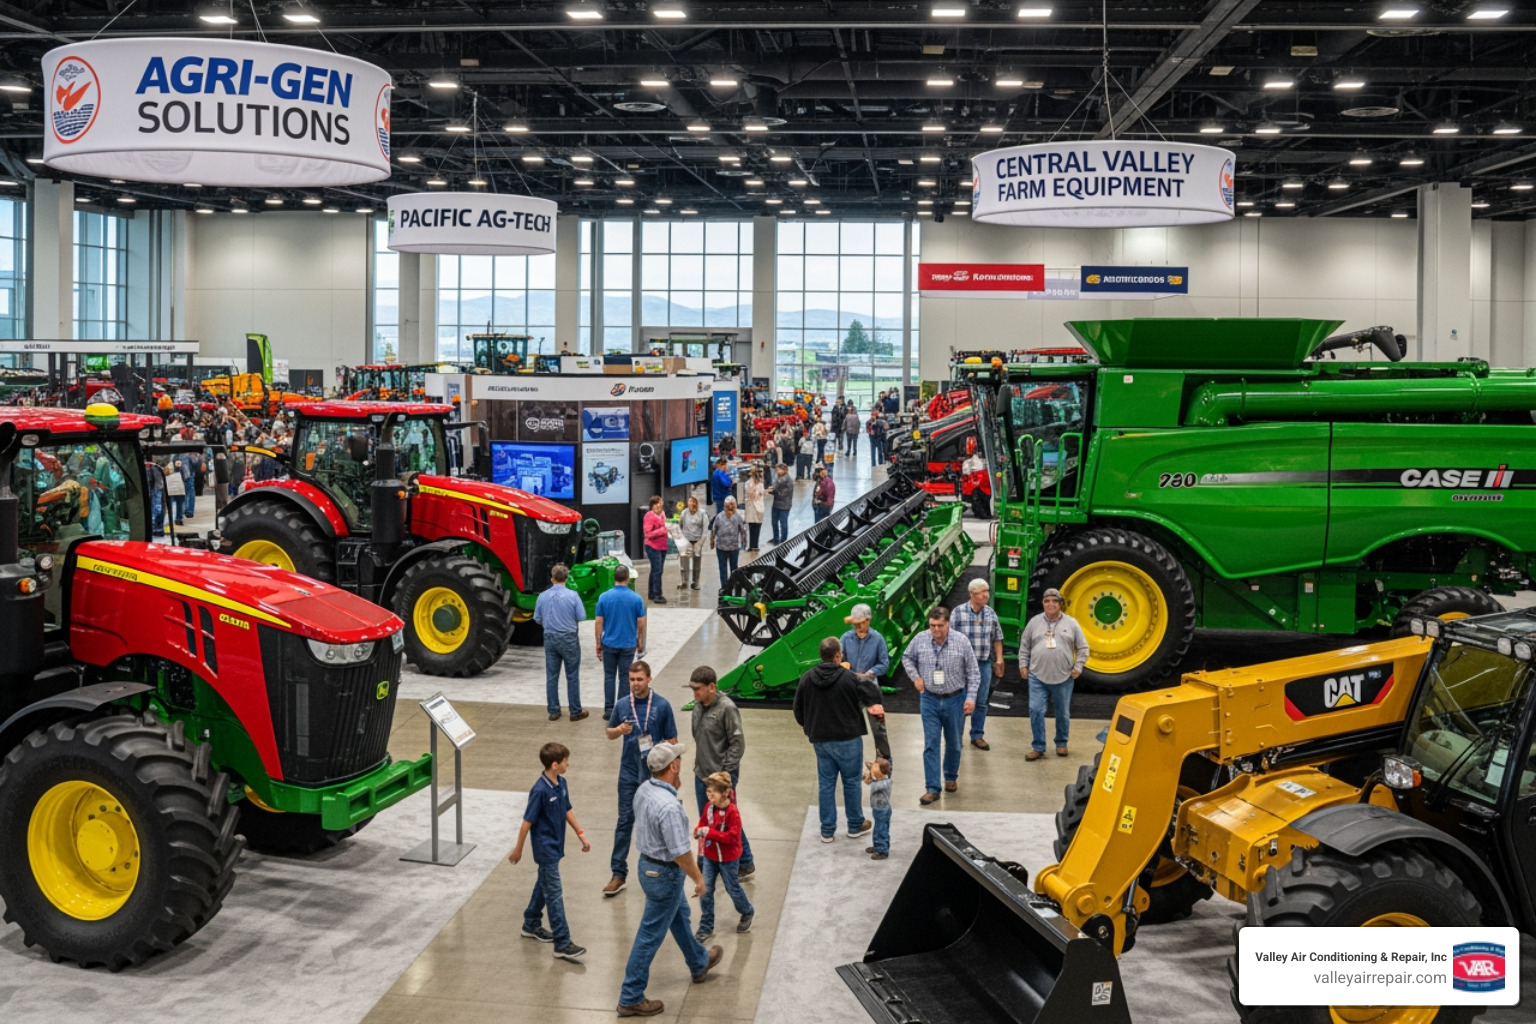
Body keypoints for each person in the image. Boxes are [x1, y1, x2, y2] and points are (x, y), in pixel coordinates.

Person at [616, 741, 723, 1017]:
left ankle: (699, 962)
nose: (681, 766)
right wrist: (699, 879)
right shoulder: (669, 806)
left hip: (646, 867)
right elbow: (680, 852)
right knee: (649, 935)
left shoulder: (644, 789)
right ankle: (630, 996)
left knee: (679, 914)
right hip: (665, 874)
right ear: (673, 766)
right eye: (679, 761)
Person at [793, 636, 885, 842]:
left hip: (820, 740)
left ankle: (827, 830)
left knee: (826, 783)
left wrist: (810, 728)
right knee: (851, 782)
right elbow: (874, 694)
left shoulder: (807, 678)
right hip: (848, 739)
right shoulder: (849, 678)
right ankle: (855, 825)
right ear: (838, 656)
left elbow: (798, 710)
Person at [509, 741, 589, 963]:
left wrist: (580, 833)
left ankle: (531, 923)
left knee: (544, 884)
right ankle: (562, 943)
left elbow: (567, 808)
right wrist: (518, 850)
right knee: (554, 894)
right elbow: (526, 823)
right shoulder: (540, 790)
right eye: (565, 761)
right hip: (545, 849)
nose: (568, 764)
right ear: (555, 764)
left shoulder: (561, 783)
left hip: (557, 845)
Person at [604, 661, 678, 898]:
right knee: (625, 821)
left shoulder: (662, 706)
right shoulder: (623, 704)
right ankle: (618, 873)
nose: (635, 685)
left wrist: (673, 775)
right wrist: (619, 731)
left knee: (657, 821)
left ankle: (661, 869)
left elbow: (673, 742)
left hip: (654, 773)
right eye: (632, 680)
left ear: (649, 679)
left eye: (640, 680)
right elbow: (609, 732)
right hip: (628, 771)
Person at [902, 607, 980, 805]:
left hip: (955, 699)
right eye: (932, 625)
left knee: (954, 743)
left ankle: (951, 776)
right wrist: (915, 677)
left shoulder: (961, 641)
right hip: (929, 699)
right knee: (931, 743)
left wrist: (970, 698)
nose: (936, 629)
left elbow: (973, 672)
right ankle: (932, 788)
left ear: (948, 624)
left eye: (940, 625)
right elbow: (907, 658)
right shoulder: (920, 639)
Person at [687, 665, 754, 877]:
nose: (694, 693)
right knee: (707, 820)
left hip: (722, 778)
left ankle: (745, 862)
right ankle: (708, 861)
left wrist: (723, 775)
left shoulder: (727, 708)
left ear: (712, 687)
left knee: (727, 821)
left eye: (697, 689)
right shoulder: (698, 706)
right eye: (692, 689)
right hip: (701, 775)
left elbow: (738, 744)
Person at [1020, 587, 1090, 761]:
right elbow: (1024, 646)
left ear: (1060, 604)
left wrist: (1078, 667)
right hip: (1037, 676)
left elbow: (1083, 648)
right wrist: (1023, 665)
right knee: (1035, 710)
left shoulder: (1071, 623)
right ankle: (1038, 746)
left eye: (1054, 601)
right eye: (1046, 601)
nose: (1050, 604)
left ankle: (1061, 743)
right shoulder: (1034, 623)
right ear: (1043, 604)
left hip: (1063, 678)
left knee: (1062, 713)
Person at [693, 771, 755, 942]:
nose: (709, 794)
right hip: (710, 857)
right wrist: (698, 831)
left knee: (732, 888)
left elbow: (732, 838)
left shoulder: (733, 813)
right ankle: (706, 926)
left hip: (729, 859)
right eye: (708, 790)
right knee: (706, 890)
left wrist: (710, 833)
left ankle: (747, 911)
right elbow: (702, 823)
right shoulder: (709, 807)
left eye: (713, 791)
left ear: (724, 793)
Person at [951, 578, 1005, 751]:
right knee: (960, 701)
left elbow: (997, 638)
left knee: (981, 702)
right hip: (962, 667)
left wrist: (999, 659)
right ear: (972, 594)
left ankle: (977, 735)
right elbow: (949, 639)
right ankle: (956, 736)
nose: (986, 595)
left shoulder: (990, 613)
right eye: (982, 592)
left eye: (987, 591)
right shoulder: (958, 613)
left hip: (983, 665)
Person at [534, 563, 588, 722]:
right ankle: (575, 711)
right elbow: (581, 616)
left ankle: (553, 711)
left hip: (550, 637)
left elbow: (537, 618)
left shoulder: (542, 596)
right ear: (567, 578)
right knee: (572, 675)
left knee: (552, 675)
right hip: (569, 637)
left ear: (552, 578)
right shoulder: (573, 596)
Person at [839, 603, 892, 762]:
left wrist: (870, 673)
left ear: (868, 620)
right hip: (850, 687)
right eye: (854, 624)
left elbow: (884, 663)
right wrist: (844, 666)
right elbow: (840, 660)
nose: (857, 627)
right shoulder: (846, 638)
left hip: (870, 689)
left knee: (878, 727)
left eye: (860, 623)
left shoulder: (877, 639)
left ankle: (884, 759)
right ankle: (848, 758)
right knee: (848, 725)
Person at [595, 566, 648, 719]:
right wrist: (640, 641)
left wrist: (598, 643)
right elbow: (641, 623)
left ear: (614, 578)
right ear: (628, 578)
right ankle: (622, 710)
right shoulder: (636, 598)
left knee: (609, 676)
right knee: (625, 677)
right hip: (628, 644)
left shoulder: (604, 597)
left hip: (609, 643)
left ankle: (609, 709)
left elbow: (598, 622)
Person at [710, 496, 746, 586]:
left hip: (731, 547)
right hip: (724, 548)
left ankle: (728, 587)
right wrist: (744, 544)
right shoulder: (721, 517)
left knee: (729, 569)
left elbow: (743, 532)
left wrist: (712, 542)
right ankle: (727, 587)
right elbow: (714, 530)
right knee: (728, 569)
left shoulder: (736, 517)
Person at [676, 495, 708, 592]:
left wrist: (701, 542)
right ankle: (684, 581)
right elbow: (680, 526)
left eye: (693, 502)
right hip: (686, 540)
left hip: (697, 540)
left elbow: (705, 529)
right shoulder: (684, 513)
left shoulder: (702, 514)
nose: (691, 504)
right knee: (684, 562)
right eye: (689, 502)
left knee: (696, 562)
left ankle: (696, 582)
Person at [863, 756, 892, 861]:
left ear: (882, 771)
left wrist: (867, 774)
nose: (872, 768)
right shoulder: (881, 780)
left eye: (875, 767)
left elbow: (871, 783)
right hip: (878, 809)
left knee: (881, 829)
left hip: (882, 810)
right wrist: (871, 768)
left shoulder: (883, 783)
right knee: (878, 828)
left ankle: (882, 850)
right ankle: (877, 846)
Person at [642, 495, 670, 604]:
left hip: (663, 546)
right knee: (657, 570)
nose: (660, 506)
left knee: (656, 570)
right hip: (653, 546)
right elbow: (648, 534)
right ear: (653, 505)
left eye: (661, 504)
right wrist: (663, 530)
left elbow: (666, 525)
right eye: (658, 504)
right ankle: (658, 594)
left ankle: (652, 593)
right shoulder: (649, 516)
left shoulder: (662, 514)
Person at [769, 462, 794, 545]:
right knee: (774, 522)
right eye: (777, 470)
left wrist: (771, 491)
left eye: (779, 470)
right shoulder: (778, 478)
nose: (777, 471)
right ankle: (775, 538)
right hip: (776, 504)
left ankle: (783, 540)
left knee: (783, 523)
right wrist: (772, 489)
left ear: (785, 470)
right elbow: (775, 486)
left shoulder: (788, 481)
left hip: (784, 505)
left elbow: (781, 494)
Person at [743, 465, 765, 551]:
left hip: (755, 507)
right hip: (755, 508)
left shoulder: (754, 484)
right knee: (755, 527)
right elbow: (752, 495)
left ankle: (753, 546)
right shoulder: (751, 484)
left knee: (753, 528)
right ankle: (754, 546)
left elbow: (756, 495)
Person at [164, 456, 186, 526]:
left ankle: (176, 518)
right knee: (178, 503)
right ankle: (177, 518)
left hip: (173, 488)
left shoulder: (168, 466)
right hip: (178, 488)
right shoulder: (180, 464)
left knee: (175, 503)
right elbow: (186, 476)